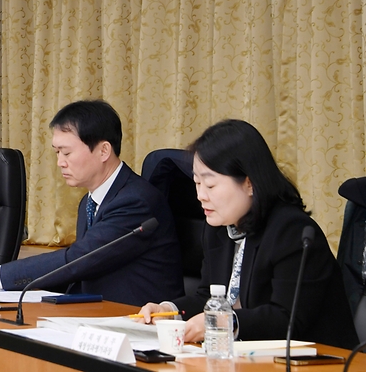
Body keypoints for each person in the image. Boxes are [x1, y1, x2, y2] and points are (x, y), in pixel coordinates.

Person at [135, 119, 359, 349]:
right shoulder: (218, 228)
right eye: (197, 183)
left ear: (249, 184)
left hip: (317, 359)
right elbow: (208, 298)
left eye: (210, 186)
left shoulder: (292, 232)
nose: (200, 195)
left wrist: (223, 322)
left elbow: (288, 320)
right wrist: (168, 310)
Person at [0, 100, 184, 306]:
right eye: (57, 153)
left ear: (103, 151)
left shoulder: (136, 201)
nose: (60, 162)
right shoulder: (89, 202)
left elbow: (81, 259)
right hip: (98, 314)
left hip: (141, 323)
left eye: (66, 153)